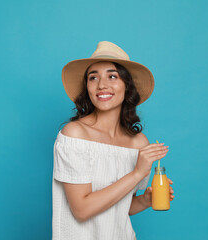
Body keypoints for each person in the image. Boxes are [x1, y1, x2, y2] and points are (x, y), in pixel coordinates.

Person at [52, 41, 175, 240]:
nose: (102, 84)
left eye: (112, 76)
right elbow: (82, 210)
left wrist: (145, 200)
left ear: (127, 86)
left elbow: (120, 207)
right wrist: (137, 174)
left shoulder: (138, 143)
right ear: (87, 88)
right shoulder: (75, 134)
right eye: (93, 78)